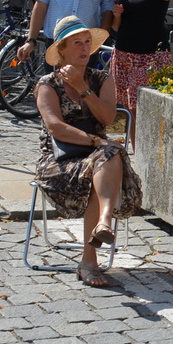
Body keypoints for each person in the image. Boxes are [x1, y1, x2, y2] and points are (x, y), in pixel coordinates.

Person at [33, 15, 142, 288]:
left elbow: (108, 119)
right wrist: (95, 141)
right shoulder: (47, 84)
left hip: (100, 159)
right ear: (62, 50)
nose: (84, 48)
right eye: (76, 43)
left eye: (87, 43)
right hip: (60, 161)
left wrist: (83, 90)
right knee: (108, 155)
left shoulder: (102, 79)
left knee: (110, 156)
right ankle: (92, 252)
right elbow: (57, 128)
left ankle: (97, 238)